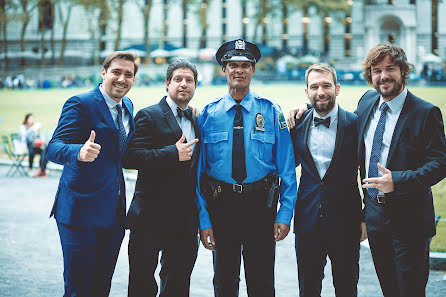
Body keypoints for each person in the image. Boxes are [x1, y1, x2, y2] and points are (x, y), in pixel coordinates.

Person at [288, 43, 446, 297]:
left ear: (403, 71)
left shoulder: (425, 112)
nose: (383, 76)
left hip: (410, 220)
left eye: (390, 69)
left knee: (410, 291)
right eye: (377, 70)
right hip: (376, 219)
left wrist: (398, 180)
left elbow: (440, 163)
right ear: (370, 76)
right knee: (389, 289)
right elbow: (333, 119)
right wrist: (306, 108)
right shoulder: (367, 102)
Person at [196, 39, 297, 297]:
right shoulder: (208, 114)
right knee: (224, 281)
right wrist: (204, 219)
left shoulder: (271, 112)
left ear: (253, 70)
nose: (238, 70)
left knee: (262, 281)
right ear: (224, 70)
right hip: (222, 205)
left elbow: (286, 169)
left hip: (260, 206)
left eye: (245, 65)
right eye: (232, 65)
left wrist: (284, 215)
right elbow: (197, 173)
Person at [45, 51, 137, 297]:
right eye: (116, 72)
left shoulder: (127, 105)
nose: (122, 79)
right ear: (104, 72)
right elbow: (52, 147)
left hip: (113, 215)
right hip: (80, 214)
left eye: (128, 74)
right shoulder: (81, 103)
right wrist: (78, 152)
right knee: (79, 290)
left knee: (100, 288)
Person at [123, 59, 200, 297]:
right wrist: (171, 153)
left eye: (189, 80)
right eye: (178, 79)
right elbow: (131, 158)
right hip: (150, 217)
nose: (183, 84)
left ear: (196, 86)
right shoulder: (148, 115)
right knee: (142, 285)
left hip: (186, 221)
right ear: (167, 84)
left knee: (178, 285)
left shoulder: (198, 119)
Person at [290, 63, 363, 296]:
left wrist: (365, 217)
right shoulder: (296, 123)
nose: (320, 92)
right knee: (308, 287)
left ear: (337, 88)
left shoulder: (355, 124)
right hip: (307, 220)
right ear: (307, 92)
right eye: (314, 87)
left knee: (346, 286)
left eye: (326, 86)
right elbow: (286, 164)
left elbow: (368, 174)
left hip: (346, 220)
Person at [18, 113, 49, 177]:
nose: (32, 120)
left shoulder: (36, 127)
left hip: (35, 146)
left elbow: (38, 137)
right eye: (30, 118)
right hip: (25, 146)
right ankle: (31, 169)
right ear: (26, 119)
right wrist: (33, 128)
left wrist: (38, 139)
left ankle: (41, 168)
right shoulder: (23, 127)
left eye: (33, 118)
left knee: (45, 152)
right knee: (31, 151)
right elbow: (24, 138)